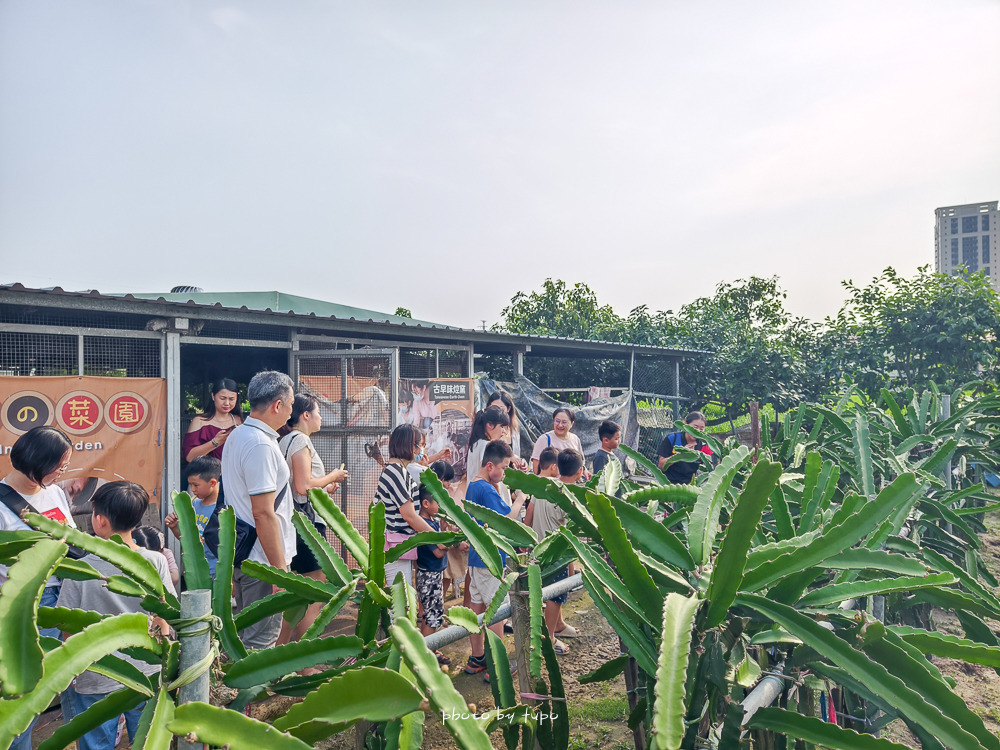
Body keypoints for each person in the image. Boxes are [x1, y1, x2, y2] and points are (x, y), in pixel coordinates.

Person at [58, 482, 175, 750]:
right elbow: (165, 615)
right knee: (149, 740)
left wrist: (74, 667)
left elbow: (67, 624)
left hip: (97, 669)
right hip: (146, 671)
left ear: (99, 520)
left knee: (95, 741)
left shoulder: (81, 567)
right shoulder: (155, 561)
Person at [0, 426, 76, 750]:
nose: (63, 471)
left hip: (64, 593)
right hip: (21, 603)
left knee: (66, 676)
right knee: (24, 691)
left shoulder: (56, 493)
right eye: (58, 465)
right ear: (36, 461)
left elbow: (72, 541)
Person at [222, 370, 296, 650]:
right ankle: (250, 694)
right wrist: (279, 572)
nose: (290, 413)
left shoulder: (239, 435)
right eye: (289, 405)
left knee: (247, 633)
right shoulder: (261, 445)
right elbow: (263, 513)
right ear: (278, 405)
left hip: (244, 552)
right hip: (262, 561)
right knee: (260, 642)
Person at [276, 393, 349, 645]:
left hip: (293, 523)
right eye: (318, 412)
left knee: (297, 595)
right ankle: (304, 661)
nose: (320, 418)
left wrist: (326, 487)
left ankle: (278, 654)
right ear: (305, 415)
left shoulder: (285, 440)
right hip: (306, 527)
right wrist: (333, 476)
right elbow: (303, 485)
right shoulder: (300, 441)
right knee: (313, 593)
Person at [463, 440, 526, 678]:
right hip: (491, 560)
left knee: (477, 607)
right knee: (496, 609)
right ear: (490, 465)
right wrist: (520, 498)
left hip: (476, 559)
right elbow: (506, 520)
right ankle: (497, 664)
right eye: (505, 467)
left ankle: (477, 657)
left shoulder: (474, 485)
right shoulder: (487, 489)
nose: (505, 473)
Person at [525, 449, 583, 653]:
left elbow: (529, 512)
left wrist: (526, 541)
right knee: (555, 596)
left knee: (551, 592)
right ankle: (548, 639)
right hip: (556, 554)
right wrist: (570, 564)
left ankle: (558, 625)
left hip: (537, 547)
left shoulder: (545, 485)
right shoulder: (569, 497)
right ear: (580, 471)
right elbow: (568, 535)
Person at [375, 423, 437, 587]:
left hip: (400, 545)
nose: (421, 450)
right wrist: (437, 537)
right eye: (420, 445)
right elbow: (409, 515)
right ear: (410, 445)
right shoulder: (395, 471)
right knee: (400, 602)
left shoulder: (399, 470)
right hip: (395, 546)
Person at [164, 456, 222, 578]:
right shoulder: (193, 505)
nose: (192, 489)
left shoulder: (223, 510)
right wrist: (174, 528)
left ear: (212, 483)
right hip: (197, 574)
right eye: (190, 485)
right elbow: (188, 541)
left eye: (196, 485)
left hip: (219, 574)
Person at [416, 484, 451, 664]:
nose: (440, 506)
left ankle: (430, 650)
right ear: (426, 504)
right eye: (437, 502)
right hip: (429, 577)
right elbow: (438, 552)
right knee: (431, 617)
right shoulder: (424, 526)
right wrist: (451, 540)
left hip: (432, 576)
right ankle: (424, 656)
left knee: (433, 614)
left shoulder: (433, 522)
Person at [183, 378, 244, 462]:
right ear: (213, 396)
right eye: (222, 398)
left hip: (234, 474)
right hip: (208, 474)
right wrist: (215, 442)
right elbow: (189, 457)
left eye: (231, 399)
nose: (227, 403)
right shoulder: (199, 421)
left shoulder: (239, 421)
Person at [657, 411, 713, 485]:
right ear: (685, 425)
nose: (698, 431)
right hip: (668, 483)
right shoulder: (672, 439)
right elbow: (661, 465)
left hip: (692, 486)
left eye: (702, 428)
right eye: (695, 427)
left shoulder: (705, 445)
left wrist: (696, 455)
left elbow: (711, 469)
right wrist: (680, 455)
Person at [530, 407, 585, 475]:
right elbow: (536, 470)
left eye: (564, 422)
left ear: (572, 424)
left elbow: (581, 464)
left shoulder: (575, 439)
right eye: (557, 421)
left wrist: (585, 472)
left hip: (571, 483)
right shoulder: (545, 439)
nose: (560, 425)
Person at [486, 390, 528, 470]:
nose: (497, 412)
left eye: (501, 409)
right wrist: (509, 457)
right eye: (494, 407)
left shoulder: (514, 429)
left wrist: (521, 462)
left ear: (508, 409)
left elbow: (516, 455)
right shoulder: (488, 429)